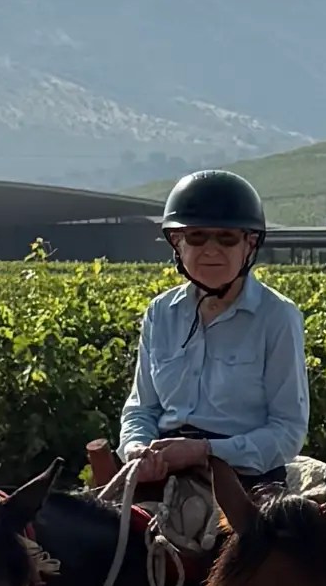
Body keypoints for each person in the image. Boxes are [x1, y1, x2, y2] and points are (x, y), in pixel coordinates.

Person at [88, 170, 308, 499]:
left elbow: (287, 431)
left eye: (226, 237)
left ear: (250, 244)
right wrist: (136, 449)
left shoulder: (277, 316)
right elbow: (142, 409)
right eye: (197, 236)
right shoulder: (160, 312)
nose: (211, 249)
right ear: (177, 242)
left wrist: (204, 451)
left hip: (246, 484)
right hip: (160, 477)